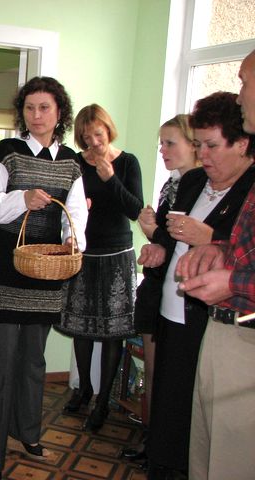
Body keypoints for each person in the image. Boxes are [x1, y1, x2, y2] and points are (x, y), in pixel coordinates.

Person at [135, 92, 255, 479]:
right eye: (198, 144)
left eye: (212, 145)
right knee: (168, 409)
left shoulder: (249, 189)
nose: (202, 154)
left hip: (211, 322)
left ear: (242, 144)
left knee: (198, 422)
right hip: (172, 312)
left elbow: (238, 254)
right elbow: (171, 240)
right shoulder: (193, 181)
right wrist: (159, 250)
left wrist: (209, 238)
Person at [0, 76, 88, 480]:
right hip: (3, 271)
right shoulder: (7, 152)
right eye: (29, 108)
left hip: (46, 270)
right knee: (3, 363)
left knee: (34, 361)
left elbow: (76, 213)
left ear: (60, 113)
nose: (36, 115)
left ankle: (28, 433)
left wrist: (74, 238)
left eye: (45, 108)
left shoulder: (71, 162)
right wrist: (21, 199)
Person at [176, 50, 255, 480]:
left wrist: (233, 279)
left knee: (231, 462)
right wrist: (222, 250)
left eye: (244, 81)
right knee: (205, 457)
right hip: (222, 329)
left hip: (245, 332)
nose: (240, 96)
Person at [55, 104, 143, 433]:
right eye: (86, 136)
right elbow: (67, 205)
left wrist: (110, 179)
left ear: (108, 130)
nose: (93, 142)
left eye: (98, 134)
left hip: (117, 255)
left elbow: (135, 209)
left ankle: (103, 400)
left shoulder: (128, 162)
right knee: (81, 326)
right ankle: (84, 389)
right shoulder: (76, 164)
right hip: (84, 253)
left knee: (112, 331)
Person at [123, 114, 198, 465]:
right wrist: (154, 236)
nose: (163, 150)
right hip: (158, 289)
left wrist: (152, 232)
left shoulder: (200, 188)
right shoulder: (173, 185)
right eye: (161, 144)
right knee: (154, 373)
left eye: (170, 143)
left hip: (184, 297)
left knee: (173, 378)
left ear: (193, 144)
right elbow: (169, 245)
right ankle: (153, 443)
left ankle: (165, 449)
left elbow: (183, 245)